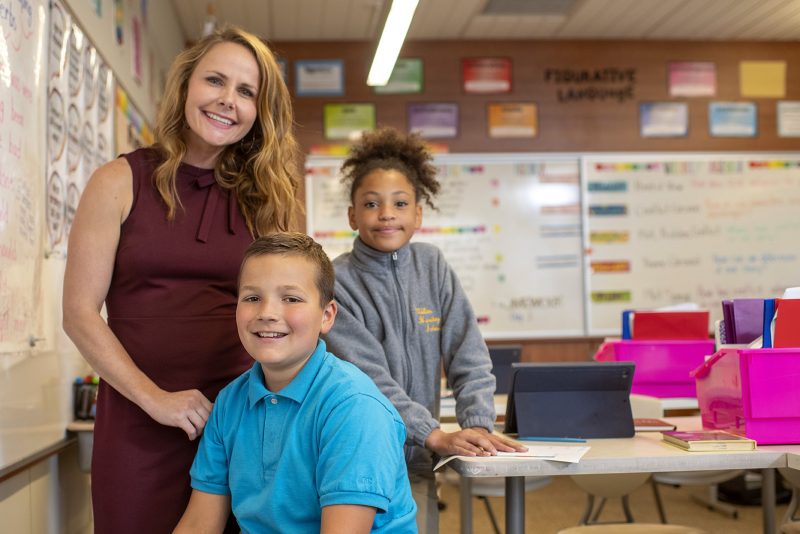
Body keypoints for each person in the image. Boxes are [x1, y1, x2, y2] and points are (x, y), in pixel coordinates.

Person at [62, 27, 300, 534]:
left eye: (246, 92)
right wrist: (155, 399)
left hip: (243, 423)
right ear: (186, 85)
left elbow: (291, 312)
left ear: (260, 111)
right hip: (137, 426)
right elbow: (79, 313)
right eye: (215, 80)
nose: (227, 101)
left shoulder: (271, 200)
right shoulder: (117, 181)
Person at [323, 127, 527, 533]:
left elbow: (468, 353)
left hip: (417, 461)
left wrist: (478, 427)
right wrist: (431, 433)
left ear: (418, 214)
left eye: (400, 203)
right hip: (356, 460)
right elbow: (367, 377)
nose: (386, 214)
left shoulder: (432, 266)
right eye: (371, 204)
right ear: (352, 215)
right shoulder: (336, 280)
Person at [173, 232, 418, 534]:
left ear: (326, 315)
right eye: (252, 298)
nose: (267, 313)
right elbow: (199, 524)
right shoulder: (229, 403)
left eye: (290, 298)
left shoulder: (353, 408)